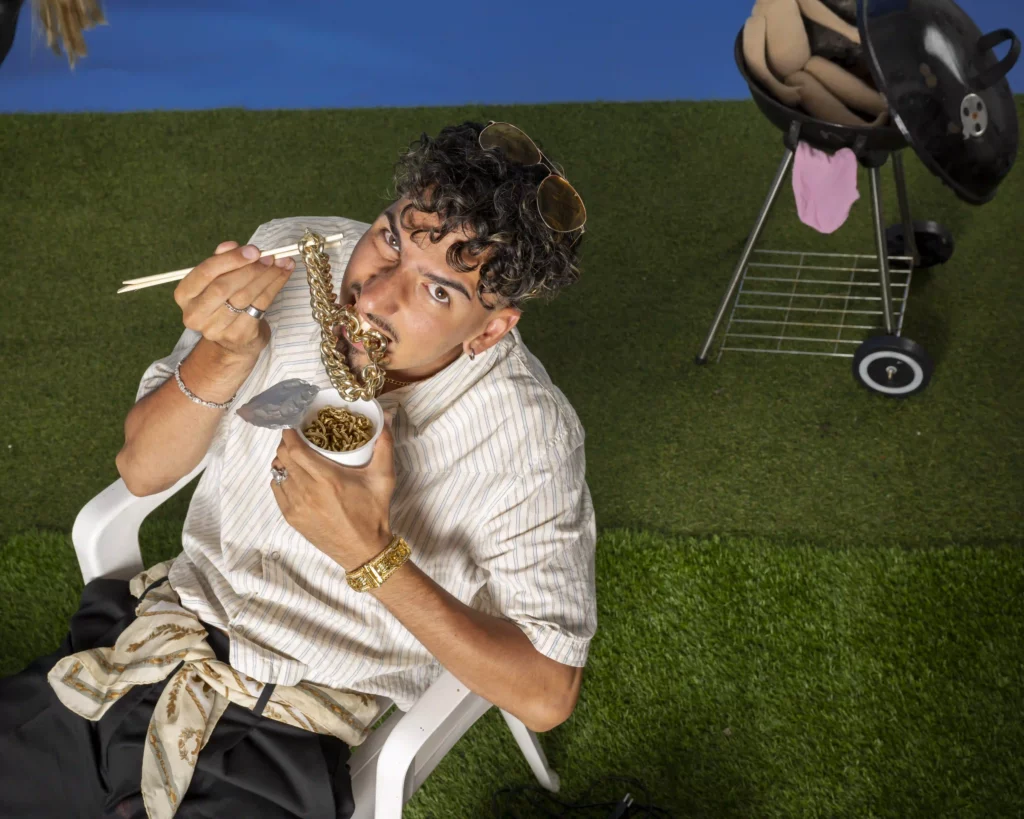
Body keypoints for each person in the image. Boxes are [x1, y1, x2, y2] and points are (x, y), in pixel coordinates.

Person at [0, 120, 597, 818]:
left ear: (491, 329)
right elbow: (140, 470)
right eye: (390, 239)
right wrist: (224, 354)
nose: (373, 296)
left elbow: (546, 693)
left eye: (438, 292)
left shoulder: (531, 437)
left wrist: (368, 554)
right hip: (143, 645)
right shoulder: (290, 258)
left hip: (285, 736)